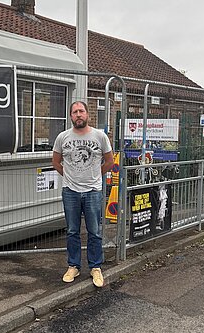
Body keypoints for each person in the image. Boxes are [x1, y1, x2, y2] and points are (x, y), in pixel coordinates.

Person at [52, 101, 114, 288]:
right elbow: (56, 162)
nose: (78, 115)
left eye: (81, 111)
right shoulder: (62, 137)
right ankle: (74, 266)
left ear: (87, 114)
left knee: (94, 231)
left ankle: (95, 267)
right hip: (70, 191)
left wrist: (94, 176)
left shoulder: (100, 136)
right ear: (71, 116)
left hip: (93, 192)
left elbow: (110, 161)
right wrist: (70, 177)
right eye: (74, 112)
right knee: (72, 231)